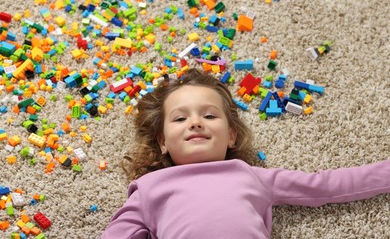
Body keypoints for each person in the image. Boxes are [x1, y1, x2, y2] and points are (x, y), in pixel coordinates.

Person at [101, 68, 390, 239]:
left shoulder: (250, 175)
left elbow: (324, 185)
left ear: (231, 135)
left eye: (210, 116)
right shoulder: (149, 188)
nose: (195, 122)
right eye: (180, 119)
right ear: (162, 142)